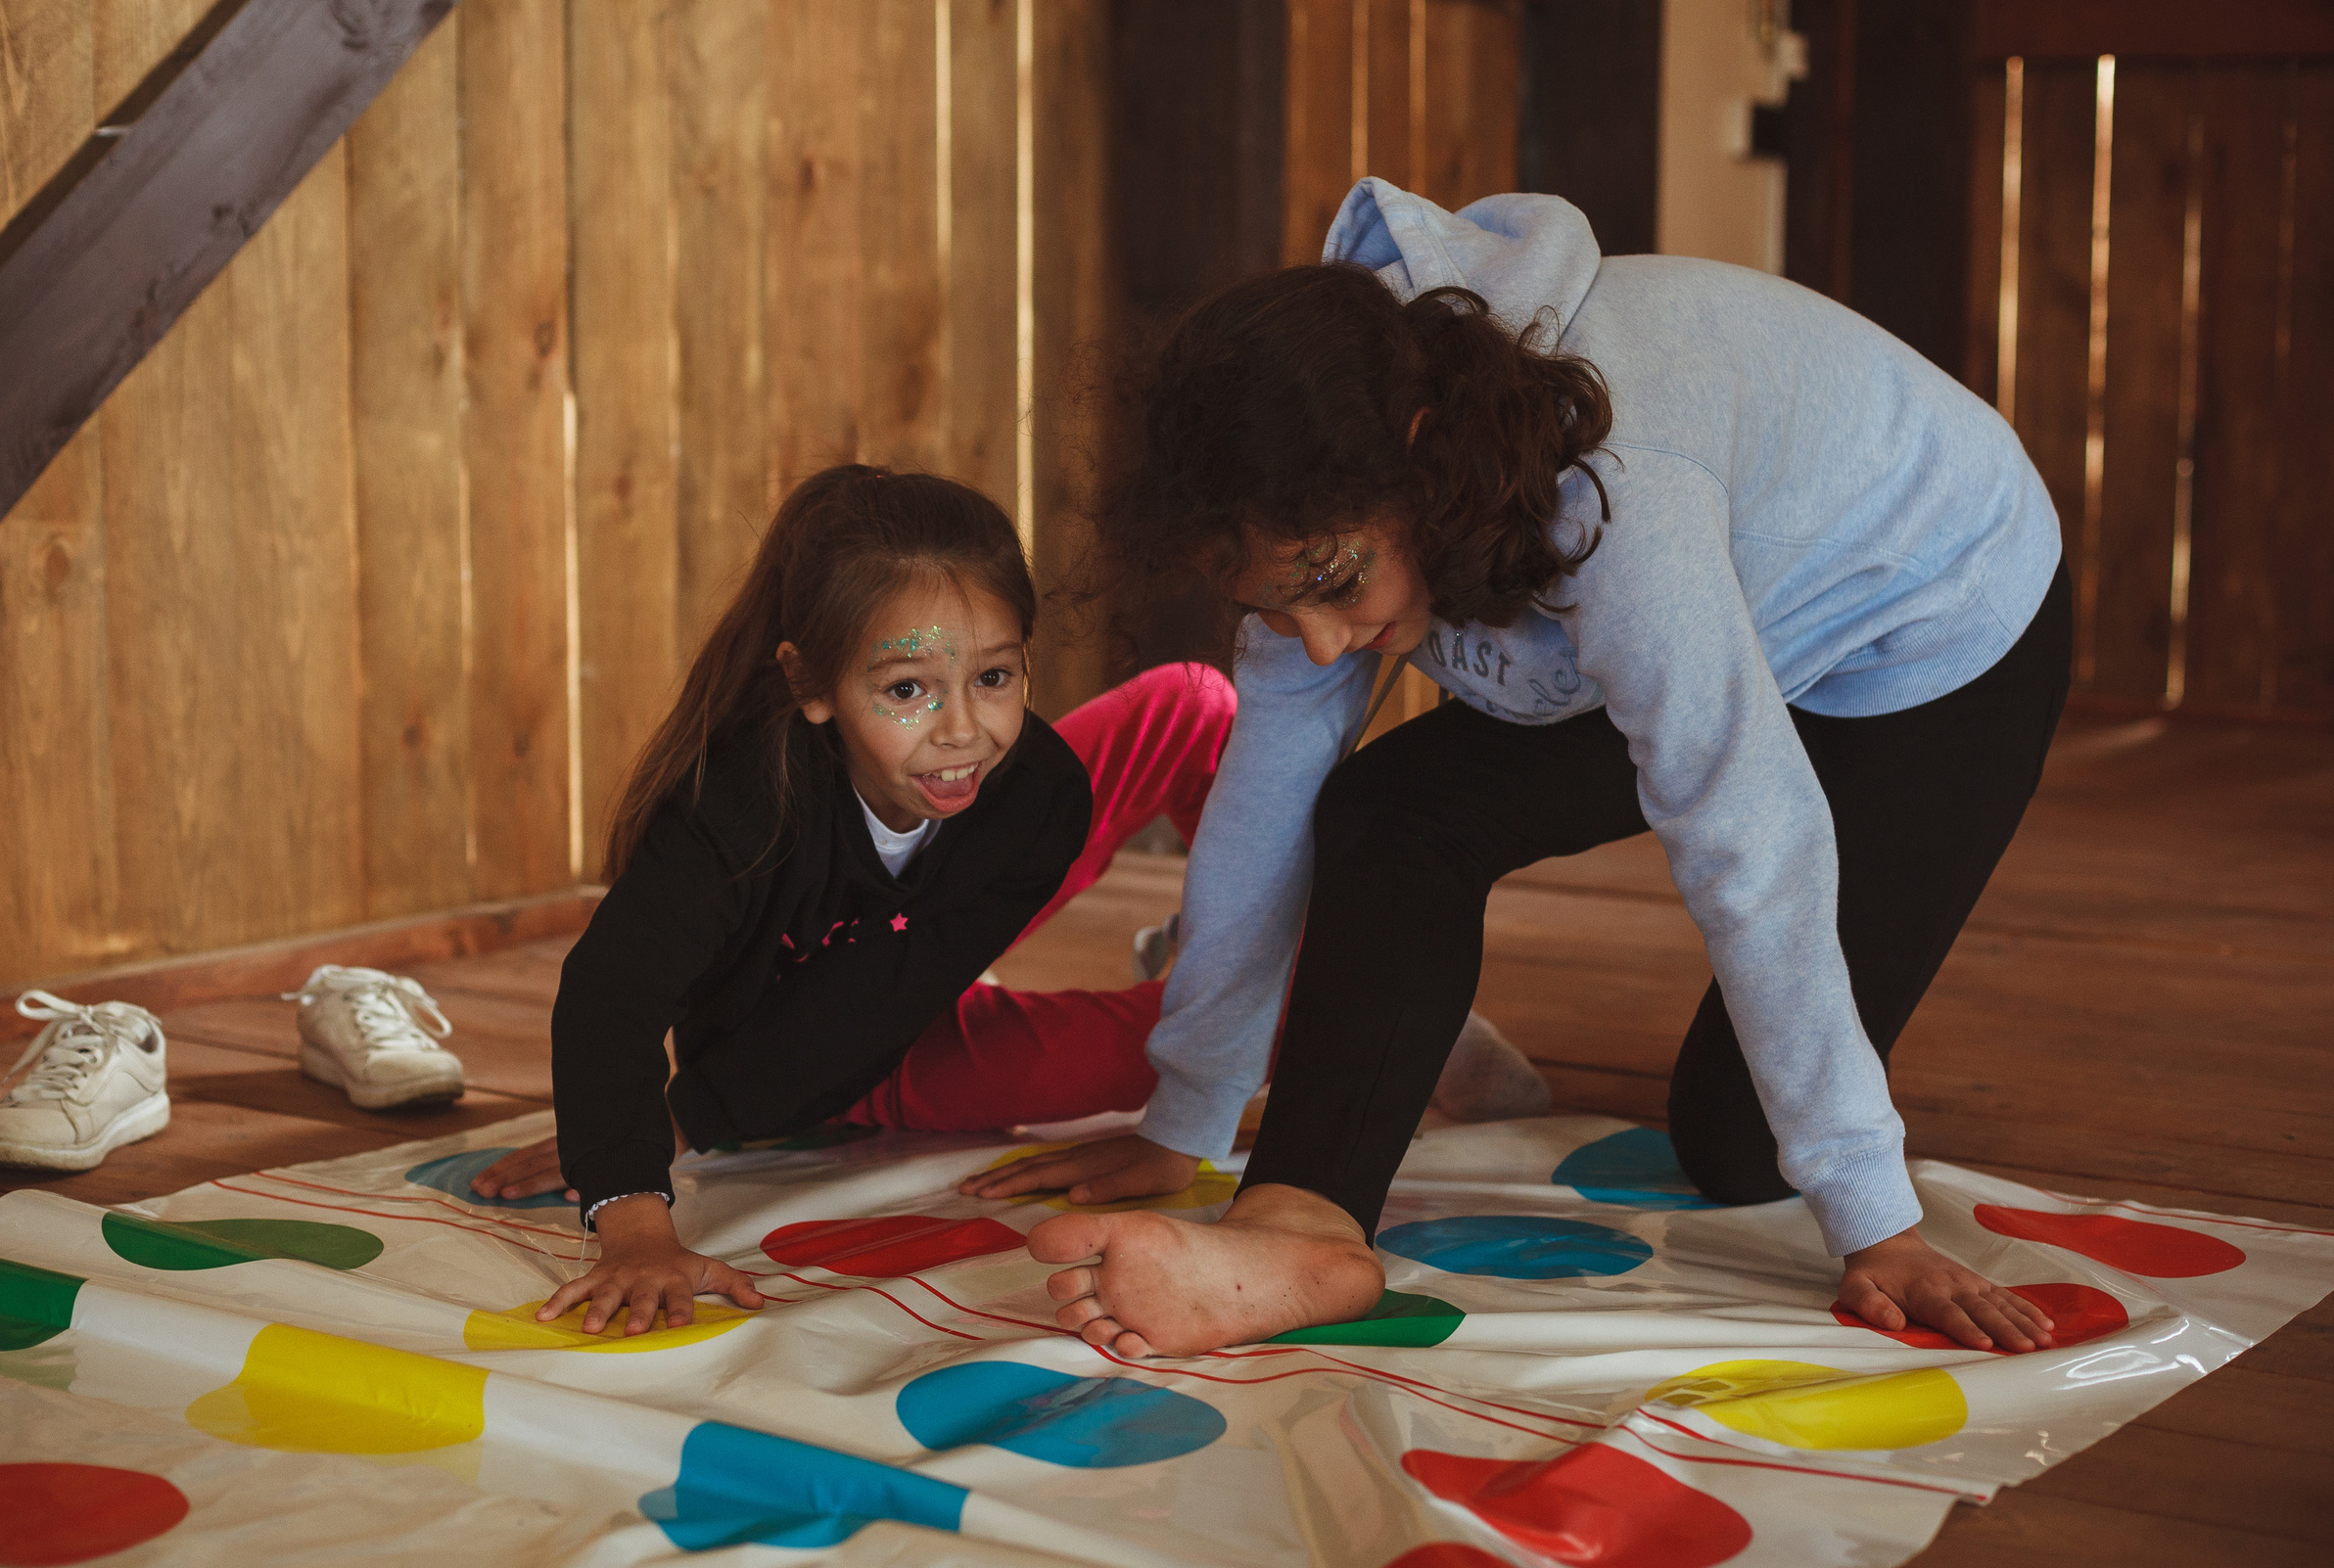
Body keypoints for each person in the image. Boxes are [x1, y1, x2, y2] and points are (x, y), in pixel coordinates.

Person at [1002, 179, 2074, 1360]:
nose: (1316, 639)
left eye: (1336, 587)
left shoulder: (1618, 500)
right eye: (1274, 607)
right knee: (1388, 810)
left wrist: (1877, 1222)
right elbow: (1265, 804)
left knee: (1737, 1143)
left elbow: (1746, 833)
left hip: (1927, 625)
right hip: (1727, 604)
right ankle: (1303, 1227)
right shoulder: (1311, 489)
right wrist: (1190, 1112)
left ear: (1421, 465)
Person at [473, 461, 1548, 1337]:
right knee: (1182, 1046)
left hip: (937, 925)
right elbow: (612, 998)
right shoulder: (736, 811)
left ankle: (1290, 968)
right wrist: (639, 1179)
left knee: (1185, 706)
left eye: (994, 677)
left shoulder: (1023, 785)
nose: (960, 730)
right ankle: (1350, 1012)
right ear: (810, 687)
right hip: (851, 1052)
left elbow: (931, 944)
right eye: (906, 691)